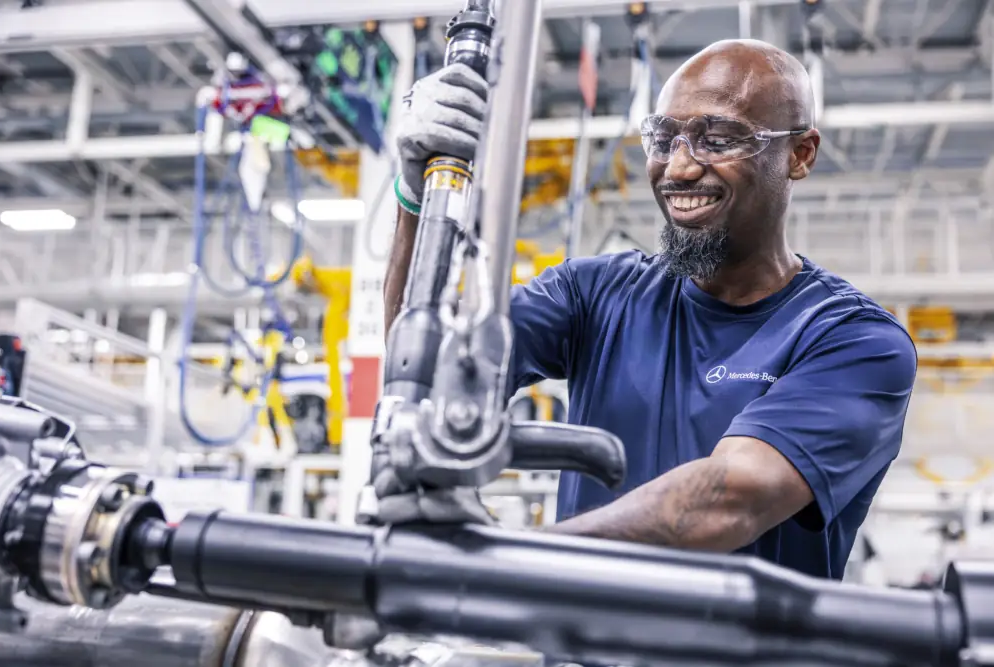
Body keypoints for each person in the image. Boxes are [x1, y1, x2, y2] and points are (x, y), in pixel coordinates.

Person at [383, 39, 917, 580]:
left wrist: (494, 561)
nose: (680, 168)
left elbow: (726, 503)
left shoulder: (855, 340)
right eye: (664, 138)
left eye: (718, 138)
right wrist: (415, 194)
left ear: (799, 154)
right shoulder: (592, 294)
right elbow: (420, 371)